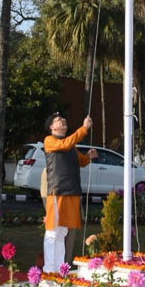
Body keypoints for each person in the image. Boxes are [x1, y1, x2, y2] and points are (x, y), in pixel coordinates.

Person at [43, 112, 97, 272]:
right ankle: (49, 269)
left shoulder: (70, 145)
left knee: (62, 232)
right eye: (59, 120)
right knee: (53, 232)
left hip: (71, 191)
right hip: (57, 191)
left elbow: (80, 161)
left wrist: (88, 156)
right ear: (52, 127)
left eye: (63, 119)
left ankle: (59, 269)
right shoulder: (50, 140)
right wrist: (84, 128)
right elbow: (65, 145)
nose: (64, 120)